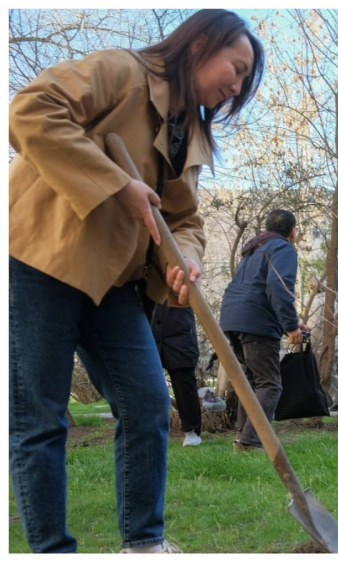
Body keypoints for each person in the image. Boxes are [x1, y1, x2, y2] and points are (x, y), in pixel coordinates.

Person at [8, 9, 265, 553]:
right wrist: (115, 183)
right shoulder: (120, 72)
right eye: (236, 68)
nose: (236, 85)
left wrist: (186, 260)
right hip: (42, 260)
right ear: (198, 45)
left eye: (244, 80)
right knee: (41, 416)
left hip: (114, 284)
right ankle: (51, 550)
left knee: (148, 403)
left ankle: (144, 544)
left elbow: (185, 220)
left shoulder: (188, 132)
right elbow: (31, 111)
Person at [220, 209, 306, 451]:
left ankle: (242, 436)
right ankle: (250, 441)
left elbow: (254, 289)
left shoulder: (253, 250)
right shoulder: (283, 248)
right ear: (292, 232)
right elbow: (278, 287)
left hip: (232, 318)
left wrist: (292, 322)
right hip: (256, 322)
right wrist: (290, 327)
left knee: (250, 381)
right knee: (269, 384)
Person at [150, 303, 203, 446]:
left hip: (179, 333)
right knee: (147, 382)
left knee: (184, 382)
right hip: (150, 329)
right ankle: (149, 430)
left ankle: (191, 430)